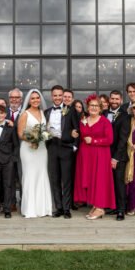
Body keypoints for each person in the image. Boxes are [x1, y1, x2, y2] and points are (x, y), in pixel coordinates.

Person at [43, 85, 81, 218]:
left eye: (60, 95)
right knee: (55, 179)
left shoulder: (71, 110)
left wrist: (74, 146)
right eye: (55, 95)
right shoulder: (46, 112)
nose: (58, 98)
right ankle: (58, 208)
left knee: (67, 180)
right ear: (51, 96)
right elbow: (43, 130)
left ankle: (66, 209)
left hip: (66, 148)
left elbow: (77, 129)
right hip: (52, 147)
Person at [16, 88, 54, 218]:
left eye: (37, 98)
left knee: (42, 174)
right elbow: (20, 133)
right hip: (28, 149)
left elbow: (47, 130)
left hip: (42, 149)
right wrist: (32, 139)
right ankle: (30, 209)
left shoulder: (44, 113)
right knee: (30, 176)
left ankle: (43, 208)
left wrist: (44, 136)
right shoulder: (25, 114)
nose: (35, 100)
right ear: (29, 100)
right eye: (32, 98)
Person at [76, 97, 116, 219]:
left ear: (100, 108)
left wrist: (94, 141)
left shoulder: (105, 122)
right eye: (91, 105)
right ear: (88, 107)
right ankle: (95, 204)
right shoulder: (83, 120)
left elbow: (109, 140)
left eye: (96, 106)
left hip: (100, 155)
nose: (93, 108)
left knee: (99, 180)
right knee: (90, 180)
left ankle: (100, 208)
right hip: (86, 155)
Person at [0, 105, 20, 218]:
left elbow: (16, 145)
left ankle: (7, 209)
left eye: (1, 113)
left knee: (8, 185)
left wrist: (13, 159)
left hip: (8, 160)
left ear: (5, 114)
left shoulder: (11, 128)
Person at [106, 90, 131, 220]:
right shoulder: (104, 113)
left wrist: (115, 157)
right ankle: (113, 206)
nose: (114, 101)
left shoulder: (126, 116)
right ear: (109, 99)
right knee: (108, 182)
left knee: (119, 183)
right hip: (104, 154)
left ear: (121, 100)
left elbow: (123, 139)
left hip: (119, 156)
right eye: (113, 98)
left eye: (117, 99)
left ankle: (121, 210)